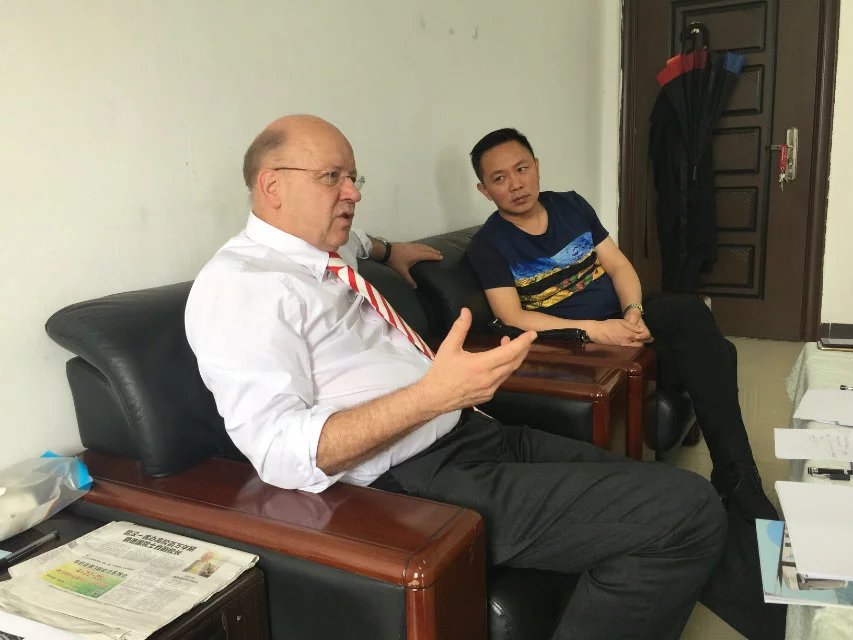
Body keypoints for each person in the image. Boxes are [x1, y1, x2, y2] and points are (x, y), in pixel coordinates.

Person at [185, 114, 730, 640]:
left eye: (354, 177)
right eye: (333, 177)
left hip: (473, 432)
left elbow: (364, 242)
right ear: (272, 186)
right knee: (687, 512)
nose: (352, 193)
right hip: (414, 481)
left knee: (663, 489)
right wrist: (431, 396)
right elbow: (279, 452)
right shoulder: (241, 287)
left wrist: (391, 250)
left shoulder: (327, 245)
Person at [465, 127, 778, 523]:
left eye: (521, 168)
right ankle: (740, 483)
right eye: (499, 178)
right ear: (484, 190)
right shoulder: (489, 245)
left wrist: (633, 311)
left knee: (691, 312)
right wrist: (595, 329)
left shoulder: (571, 205)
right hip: (578, 342)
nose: (515, 184)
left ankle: (738, 477)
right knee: (716, 353)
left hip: (623, 320)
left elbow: (616, 264)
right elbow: (513, 317)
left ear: (537, 167)